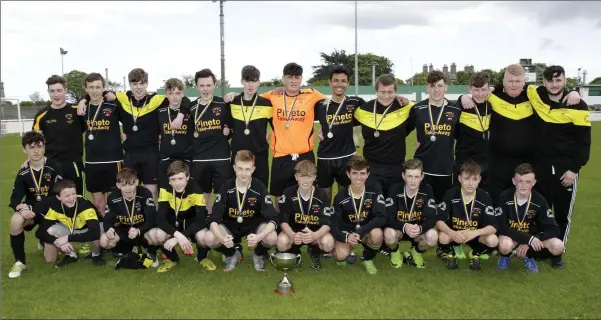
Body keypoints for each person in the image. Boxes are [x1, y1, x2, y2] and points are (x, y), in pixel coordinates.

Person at [458, 64, 581, 205]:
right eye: (510, 81)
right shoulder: (493, 96)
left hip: (527, 163)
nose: (514, 85)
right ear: (503, 81)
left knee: (524, 206)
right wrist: (464, 97)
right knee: (497, 204)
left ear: (524, 82)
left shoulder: (534, 95)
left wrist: (573, 92)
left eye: (518, 81)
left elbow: (555, 91)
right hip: (497, 163)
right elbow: (475, 94)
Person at [225, 62, 327, 210]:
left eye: (297, 77)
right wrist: (234, 95)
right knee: (279, 195)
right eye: (289, 77)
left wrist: (325, 128)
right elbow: (251, 97)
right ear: (283, 79)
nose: (293, 81)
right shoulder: (272, 96)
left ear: (301, 79)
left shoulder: (312, 94)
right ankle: (278, 223)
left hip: (305, 153)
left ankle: (307, 220)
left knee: (308, 190)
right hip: (281, 155)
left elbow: (330, 104)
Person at [77, 68, 189, 201]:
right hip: (130, 154)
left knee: (151, 192)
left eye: (142, 83)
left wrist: (181, 116)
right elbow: (97, 93)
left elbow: (185, 100)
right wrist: (82, 101)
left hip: (151, 154)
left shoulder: (157, 100)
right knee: (129, 191)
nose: (139, 87)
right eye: (135, 84)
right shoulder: (122, 98)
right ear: (130, 85)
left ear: (147, 84)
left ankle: (152, 221)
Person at [525, 65, 591, 267]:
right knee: (537, 211)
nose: (554, 84)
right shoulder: (536, 95)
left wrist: (574, 169)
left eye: (558, 80)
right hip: (540, 167)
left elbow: (584, 142)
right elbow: (513, 84)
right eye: (550, 80)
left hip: (566, 170)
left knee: (562, 214)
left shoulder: (578, 105)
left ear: (565, 80)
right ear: (544, 82)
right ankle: (540, 250)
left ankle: (557, 254)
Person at [205, 150, 278, 272]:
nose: (243, 173)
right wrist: (222, 239)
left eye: (247, 169)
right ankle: (232, 252)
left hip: (254, 225)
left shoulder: (259, 187)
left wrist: (260, 236)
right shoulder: (226, 187)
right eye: (240, 169)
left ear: (253, 169)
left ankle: (258, 253)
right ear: (234, 168)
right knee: (209, 238)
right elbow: (213, 218)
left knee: (271, 237)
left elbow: (274, 218)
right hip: (230, 225)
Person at [8, 131, 63, 278]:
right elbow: (15, 198)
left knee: (50, 260)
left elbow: (55, 197)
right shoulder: (23, 172)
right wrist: (20, 207)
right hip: (32, 213)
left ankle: (43, 238)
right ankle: (20, 262)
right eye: (31, 147)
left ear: (44, 147)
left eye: (39, 146)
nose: (36, 150)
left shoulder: (55, 167)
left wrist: (32, 208)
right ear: (24, 149)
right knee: (15, 220)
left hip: (52, 212)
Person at [496, 163, 565, 272]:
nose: (523, 185)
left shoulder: (539, 200)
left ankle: (529, 256)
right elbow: (500, 227)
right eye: (520, 181)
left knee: (558, 246)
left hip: (532, 239)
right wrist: (527, 239)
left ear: (534, 183)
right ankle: (505, 256)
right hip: (511, 236)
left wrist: (531, 240)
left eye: (528, 182)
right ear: (514, 181)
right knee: (505, 245)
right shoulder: (505, 197)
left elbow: (554, 229)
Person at [354, 74, 414, 198]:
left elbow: (423, 118)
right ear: (376, 91)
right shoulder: (364, 109)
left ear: (395, 91)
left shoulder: (405, 108)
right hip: (372, 167)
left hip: (397, 167)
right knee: (375, 207)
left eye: (390, 92)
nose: (386, 96)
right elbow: (343, 124)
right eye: (382, 92)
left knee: (394, 208)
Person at [407, 70, 461, 202]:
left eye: (440, 86)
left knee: (442, 210)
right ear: (427, 88)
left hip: (445, 168)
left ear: (446, 87)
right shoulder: (417, 109)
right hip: (422, 167)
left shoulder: (456, 110)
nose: (436, 90)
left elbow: (462, 137)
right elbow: (402, 131)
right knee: (421, 208)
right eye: (432, 86)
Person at [435, 160, 498, 270]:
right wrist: (452, 233)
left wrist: (475, 233)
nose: (470, 183)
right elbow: (439, 220)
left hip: (475, 235)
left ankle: (475, 253)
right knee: (443, 237)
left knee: (493, 240)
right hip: (455, 234)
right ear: (460, 179)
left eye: (474, 179)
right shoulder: (451, 194)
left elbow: (493, 226)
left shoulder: (484, 196)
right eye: (466, 178)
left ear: (479, 180)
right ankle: (451, 253)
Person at [152, 160, 212, 272]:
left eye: (180, 178)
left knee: (202, 236)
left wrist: (180, 236)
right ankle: (172, 259)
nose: (177, 183)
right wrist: (178, 236)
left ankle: (202, 258)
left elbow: (201, 221)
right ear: (169, 180)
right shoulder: (165, 188)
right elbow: (160, 219)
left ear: (187, 177)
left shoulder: (196, 189)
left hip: (191, 221)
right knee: (159, 235)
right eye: (173, 179)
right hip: (174, 220)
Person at [330, 155, 386, 275]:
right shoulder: (340, 197)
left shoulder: (374, 189)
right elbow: (333, 224)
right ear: (348, 174)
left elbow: (381, 217)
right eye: (354, 173)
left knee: (377, 234)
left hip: (366, 231)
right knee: (340, 255)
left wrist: (360, 231)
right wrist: (345, 237)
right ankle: (345, 253)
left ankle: (367, 258)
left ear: (368, 174)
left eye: (362, 173)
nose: (358, 177)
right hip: (348, 232)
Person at [314, 66, 363, 201]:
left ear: (348, 84)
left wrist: (398, 98)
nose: (339, 84)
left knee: (346, 199)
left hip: (347, 157)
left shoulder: (355, 102)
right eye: (336, 80)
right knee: (324, 200)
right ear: (330, 82)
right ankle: (326, 222)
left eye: (343, 81)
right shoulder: (321, 105)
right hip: (325, 158)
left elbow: (376, 110)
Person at [276, 160, 335, 269]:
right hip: (294, 233)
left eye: (309, 176)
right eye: (302, 176)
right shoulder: (288, 193)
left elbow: (327, 223)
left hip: (314, 233)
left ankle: (315, 251)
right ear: (296, 177)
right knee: (281, 242)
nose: (305, 180)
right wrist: (292, 235)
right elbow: (283, 221)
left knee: (328, 243)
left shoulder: (322, 194)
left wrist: (314, 235)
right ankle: (293, 251)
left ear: (314, 177)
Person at [33, 75, 85, 195]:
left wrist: (84, 100)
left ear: (65, 90)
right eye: (52, 91)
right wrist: (30, 159)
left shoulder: (77, 111)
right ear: (48, 92)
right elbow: (34, 142)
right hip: (51, 165)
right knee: (53, 203)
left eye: (59, 90)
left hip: (73, 165)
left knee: (76, 200)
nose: (56, 94)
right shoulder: (42, 115)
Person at [189, 69, 232, 215]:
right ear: (196, 87)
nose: (205, 89)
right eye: (202, 85)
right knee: (203, 193)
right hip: (200, 158)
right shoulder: (191, 107)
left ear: (215, 85)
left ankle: (220, 219)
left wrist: (229, 130)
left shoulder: (224, 103)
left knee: (221, 193)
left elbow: (232, 125)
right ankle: (206, 217)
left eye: (208, 85)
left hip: (221, 158)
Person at [35, 179, 106, 268]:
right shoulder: (55, 207)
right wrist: (56, 241)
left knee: (99, 231)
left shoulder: (84, 205)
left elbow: (94, 233)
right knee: (51, 230)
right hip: (70, 229)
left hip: (89, 229)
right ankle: (72, 255)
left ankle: (96, 254)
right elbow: (39, 232)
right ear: (59, 197)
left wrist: (67, 238)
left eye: (73, 194)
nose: (72, 198)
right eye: (67, 196)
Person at [81, 72, 124, 217]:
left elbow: (132, 119)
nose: (94, 91)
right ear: (85, 89)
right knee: (98, 204)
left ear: (103, 88)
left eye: (98, 87)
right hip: (92, 162)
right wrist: (82, 101)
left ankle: (117, 236)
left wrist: (125, 135)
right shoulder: (82, 109)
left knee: (116, 202)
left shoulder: (113, 105)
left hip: (113, 161)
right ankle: (101, 236)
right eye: (91, 87)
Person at [384, 159, 438, 269]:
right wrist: (404, 226)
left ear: (422, 176)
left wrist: (420, 228)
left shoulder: (427, 190)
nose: (413, 181)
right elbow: (388, 217)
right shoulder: (395, 189)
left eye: (416, 177)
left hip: (418, 231)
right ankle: (395, 252)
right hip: (399, 229)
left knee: (433, 236)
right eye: (409, 176)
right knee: (388, 234)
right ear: (403, 176)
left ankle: (416, 252)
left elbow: (432, 218)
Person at [100, 168, 159, 267]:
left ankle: (151, 252)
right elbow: (107, 219)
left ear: (137, 182)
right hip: (124, 230)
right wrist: (109, 229)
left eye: (131, 184)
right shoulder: (113, 197)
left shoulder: (144, 193)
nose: (128, 188)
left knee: (156, 235)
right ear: (118, 185)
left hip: (142, 229)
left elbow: (152, 219)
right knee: (104, 240)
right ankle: (125, 252)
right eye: (124, 185)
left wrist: (138, 230)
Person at [227, 65, 273, 187]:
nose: (250, 85)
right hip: (238, 155)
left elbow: (277, 127)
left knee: (260, 191)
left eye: (254, 80)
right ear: (242, 81)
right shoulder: (232, 101)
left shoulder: (266, 103)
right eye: (247, 81)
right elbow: (226, 126)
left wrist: (270, 135)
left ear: (259, 82)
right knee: (237, 191)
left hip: (260, 156)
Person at [454, 72, 492, 190]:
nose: (480, 94)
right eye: (476, 90)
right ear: (469, 89)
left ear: (488, 90)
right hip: (463, 160)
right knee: (460, 195)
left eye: (483, 90)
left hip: (484, 161)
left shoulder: (491, 106)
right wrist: (462, 97)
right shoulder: (462, 105)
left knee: (482, 196)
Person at [157, 78, 193, 188]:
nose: (175, 97)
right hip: (166, 158)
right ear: (166, 94)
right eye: (171, 93)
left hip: (186, 158)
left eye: (178, 93)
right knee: (165, 192)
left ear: (182, 93)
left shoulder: (190, 111)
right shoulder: (159, 112)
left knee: (187, 192)